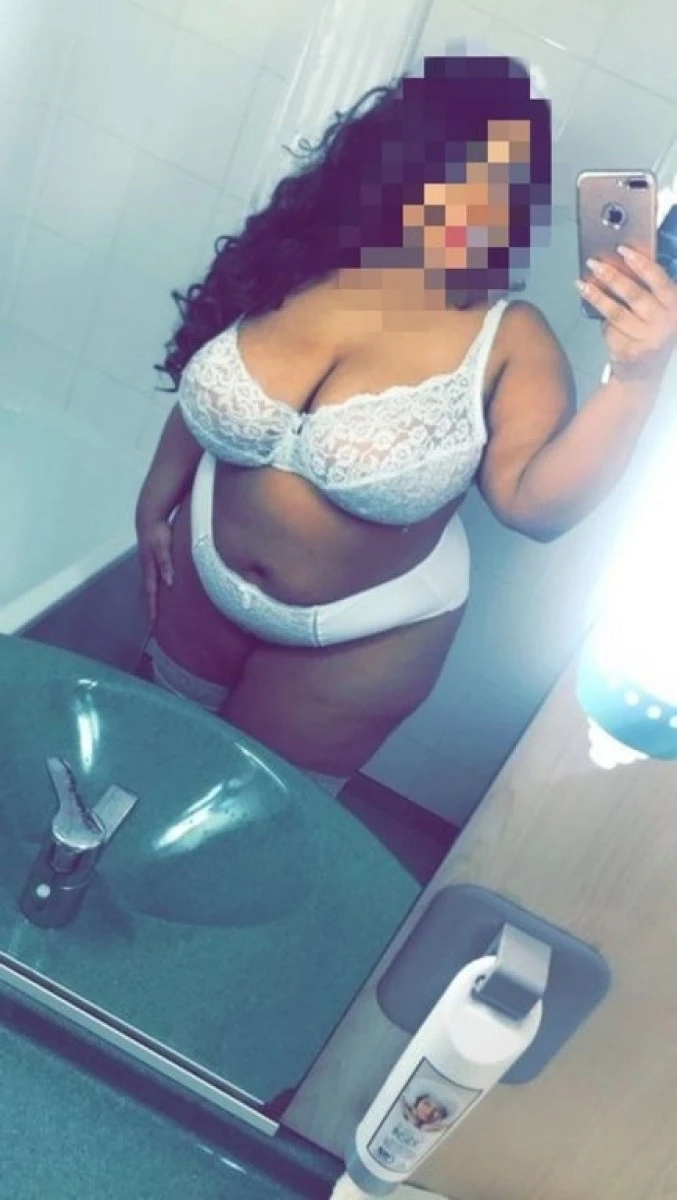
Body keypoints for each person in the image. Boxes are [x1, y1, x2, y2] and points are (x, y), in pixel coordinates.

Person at [135, 54, 677, 797]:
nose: (474, 206)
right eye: (455, 174)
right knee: (145, 766)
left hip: (358, 640)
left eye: (503, 187)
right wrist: (154, 499)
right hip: (200, 577)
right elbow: (212, 388)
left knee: (248, 820)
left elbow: (534, 508)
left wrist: (636, 379)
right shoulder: (299, 258)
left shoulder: (509, 337)